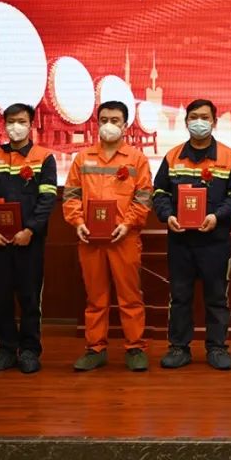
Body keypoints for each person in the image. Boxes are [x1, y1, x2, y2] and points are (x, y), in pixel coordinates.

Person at [152, 99, 231, 370]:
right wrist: (168, 215)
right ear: (186, 122)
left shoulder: (228, 157)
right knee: (180, 296)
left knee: (216, 297)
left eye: (205, 117)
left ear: (214, 122)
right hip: (180, 241)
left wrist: (217, 216)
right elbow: (159, 192)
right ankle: (179, 347)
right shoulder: (172, 157)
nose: (199, 122)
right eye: (194, 117)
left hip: (215, 242)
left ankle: (217, 348)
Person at [62, 100, 154, 372]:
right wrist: (78, 222)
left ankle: (135, 348)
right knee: (95, 298)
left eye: (115, 120)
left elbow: (143, 197)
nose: (108, 125)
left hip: (124, 238)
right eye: (104, 120)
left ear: (125, 126)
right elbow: (71, 195)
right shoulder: (82, 158)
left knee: (130, 296)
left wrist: (127, 224)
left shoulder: (137, 159)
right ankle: (95, 349)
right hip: (90, 239)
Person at [0, 103, 58, 374]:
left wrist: (29, 230)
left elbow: (47, 199)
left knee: (30, 298)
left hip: (29, 242)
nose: (15, 126)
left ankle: (30, 351)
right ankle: (6, 350)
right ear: (3, 124)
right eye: (10, 121)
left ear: (31, 125)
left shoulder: (44, 158)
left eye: (21, 121)